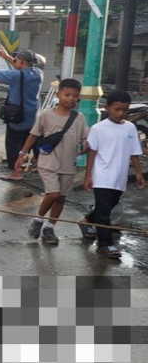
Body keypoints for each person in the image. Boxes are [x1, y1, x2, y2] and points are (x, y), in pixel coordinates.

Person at [13, 79, 88, 245]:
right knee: (53, 194)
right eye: (67, 94)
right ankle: (38, 220)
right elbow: (33, 135)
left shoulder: (79, 118)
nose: (71, 98)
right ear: (58, 94)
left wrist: (85, 144)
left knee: (61, 198)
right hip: (48, 162)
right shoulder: (46, 115)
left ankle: (50, 227)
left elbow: (85, 138)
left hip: (68, 164)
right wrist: (22, 154)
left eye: (75, 96)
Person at [82, 90, 145, 259]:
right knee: (104, 212)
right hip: (102, 175)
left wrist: (138, 173)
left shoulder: (130, 127)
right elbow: (92, 153)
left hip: (120, 176)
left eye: (125, 110)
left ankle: (87, 220)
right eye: (117, 109)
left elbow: (134, 152)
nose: (121, 113)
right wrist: (88, 175)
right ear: (107, 107)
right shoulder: (98, 128)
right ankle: (105, 244)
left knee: (109, 206)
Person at [0, 47, 43, 181]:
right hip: (32, 117)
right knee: (26, 145)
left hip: (17, 117)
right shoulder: (38, 73)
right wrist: (5, 55)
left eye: (17, 59)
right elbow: (20, 66)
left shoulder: (16, 76)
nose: (15, 61)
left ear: (22, 61)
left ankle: (16, 173)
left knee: (14, 147)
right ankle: (28, 165)